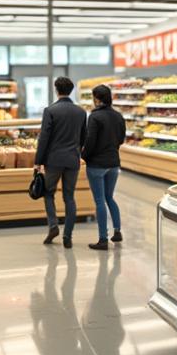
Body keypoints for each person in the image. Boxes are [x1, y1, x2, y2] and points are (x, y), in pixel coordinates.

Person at [34, 76, 86, 248]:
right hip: (72, 160)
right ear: (71, 90)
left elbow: (44, 139)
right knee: (69, 197)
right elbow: (83, 138)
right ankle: (68, 237)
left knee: (49, 193)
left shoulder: (50, 111)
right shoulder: (80, 112)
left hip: (53, 160)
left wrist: (38, 161)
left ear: (56, 89)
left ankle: (53, 225)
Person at [82, 84, 126, 250]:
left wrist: (84, 156)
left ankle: (102, 239)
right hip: (114, 163)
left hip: (97, 164)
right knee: (109, 197)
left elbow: (90, 141)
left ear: (96, 98)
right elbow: (121, 139)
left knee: (99, 201)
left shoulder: (95, 117)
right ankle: (117, 231)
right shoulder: (118, 116)